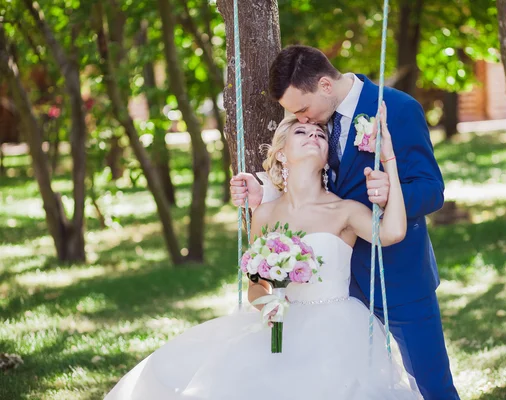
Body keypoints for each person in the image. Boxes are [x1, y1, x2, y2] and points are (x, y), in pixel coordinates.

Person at [105, 103, 422, 399]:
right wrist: (269, 304)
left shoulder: (344, 210)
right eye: (302, 132)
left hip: (337, 328)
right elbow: (256, 286)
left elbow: (392, 233)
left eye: (320, 135)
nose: (313, 136)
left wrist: (389, 161)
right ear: (281, 154)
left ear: (327, 157)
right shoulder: (266, 214)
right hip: (281, 328)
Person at [230, 45, 459, 399]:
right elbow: (311, 188)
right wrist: (267, 192)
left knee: (431, 386)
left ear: (324, 85)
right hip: (336, 288)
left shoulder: (397, 109)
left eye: (303, 110)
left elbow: (432, 190)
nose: (304, 122)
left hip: (398, 277)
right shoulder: (315, 125)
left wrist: (389, 194)